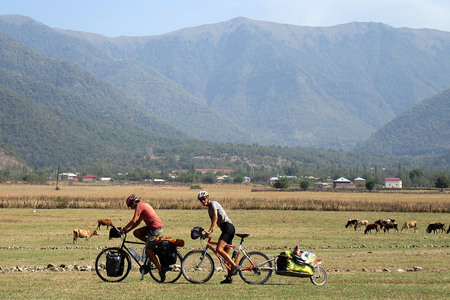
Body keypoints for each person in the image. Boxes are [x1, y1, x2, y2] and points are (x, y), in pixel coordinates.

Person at [119, 194, 166, 282]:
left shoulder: (139, 206)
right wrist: (128, 230)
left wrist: (124, 229)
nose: (130, 207)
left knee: (148, 251)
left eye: (130, 205)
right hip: (152, 227)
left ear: (133, 202)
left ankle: (161, 270)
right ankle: (150, 243)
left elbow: (134, 220)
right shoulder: (143, 205)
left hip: (155, 228)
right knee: (136, 233)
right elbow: (138, 222)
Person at [198, 190, 238, 284]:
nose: (203, 201)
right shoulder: (209, 210)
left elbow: (215, 218)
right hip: (226, 229)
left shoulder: (213, 204)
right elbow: (214, 223)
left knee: (219, 249)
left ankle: (234, 266)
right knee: (226, 256)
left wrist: (210, 231)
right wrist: (208, 233)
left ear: (208, 198)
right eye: (201, 200)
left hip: (228, 227)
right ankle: (229, 278)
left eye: (204, 199)